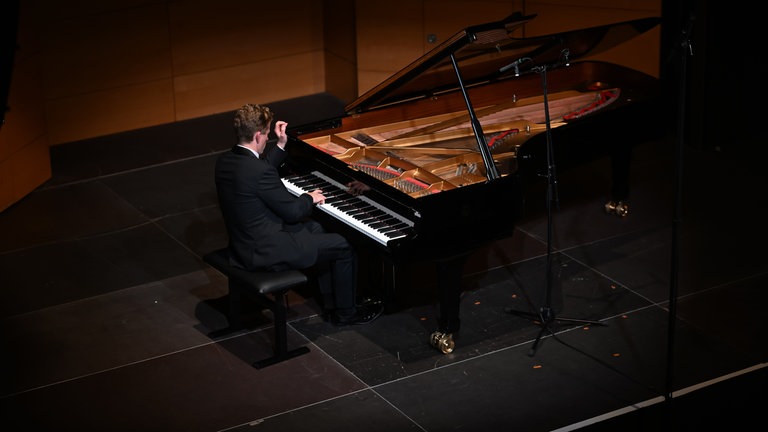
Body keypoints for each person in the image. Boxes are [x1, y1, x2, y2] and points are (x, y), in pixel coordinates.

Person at [214, 103, 382, 326]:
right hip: (266, 251)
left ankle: (331, 302)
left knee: (319, 228)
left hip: (244, 243)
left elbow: (258, 170)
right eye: (265, 135)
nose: (266, 139)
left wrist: (281, 145)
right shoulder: (260, 172)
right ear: (256, 136)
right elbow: (293, 213)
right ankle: (346, 314)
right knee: (343, 246)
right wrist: (309, 197)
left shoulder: (225, 161)